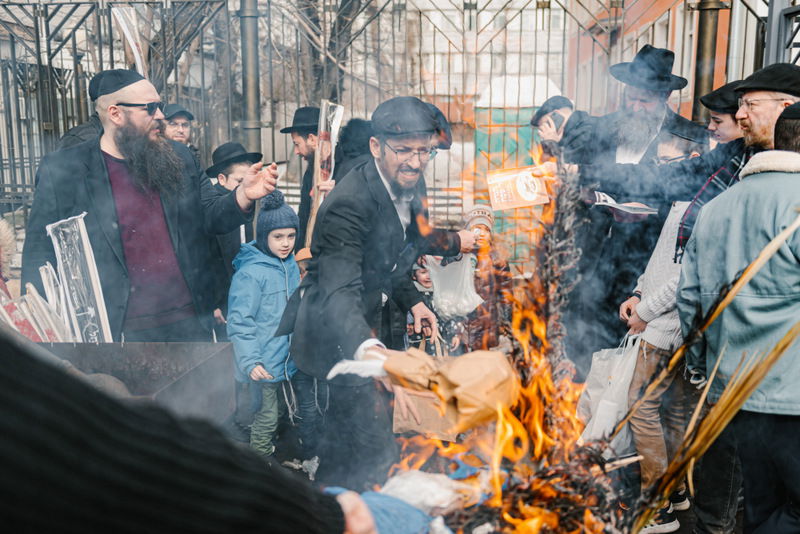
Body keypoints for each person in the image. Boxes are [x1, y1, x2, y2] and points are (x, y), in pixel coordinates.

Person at [277, 96, 475, 490]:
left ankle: (335, 504)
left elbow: (398, 251)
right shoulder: (349, 204)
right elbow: (339, 291)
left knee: (353, 445)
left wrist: (415, 301)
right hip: (341, 333)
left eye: (424, 152)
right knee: (369, 447)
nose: (415, 162)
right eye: (404, 151)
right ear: (376, 147)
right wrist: (370, 354)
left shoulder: (409, 185)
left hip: (373, 321)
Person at [21, 69, 278, 342]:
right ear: (116, 114)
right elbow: (40, 253)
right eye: (150, 108)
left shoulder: (178, 157)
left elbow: (210, 215)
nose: (160, 116)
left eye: (160, 106)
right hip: (116, 331)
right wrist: (44, 331)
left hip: (188, 323)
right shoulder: (66, 168)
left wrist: (243, 196)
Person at [677, 102, 800, 534]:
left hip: (730, 390)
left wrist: (700, 370)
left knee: (761, 507)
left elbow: (689, 300)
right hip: (791, 400)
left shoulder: (716, 208)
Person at [228, 191, 319, 465]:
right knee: (267, 415)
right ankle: (259, 463)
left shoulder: (289, 264)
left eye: (291, 236)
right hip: (263, 359)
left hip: (285, 357)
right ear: (264, 235)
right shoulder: (251, 273)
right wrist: (250, 360)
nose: (286, 243)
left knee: (278, 410)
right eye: (278, 237)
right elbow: (240, 320)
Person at [281, 106, 335, 251]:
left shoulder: (345, 167)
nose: (297, 151)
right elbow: (304, 217)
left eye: (297, 144)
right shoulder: (310, 172)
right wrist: (300, 257)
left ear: (311, 139)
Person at [460, 205, 512, 352]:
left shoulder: (497, 259)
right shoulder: (458, 256)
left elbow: (506, 294)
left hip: (487, 322)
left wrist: (506, 323)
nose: (482, 234)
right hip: (463, 323)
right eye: (477, 228)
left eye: (486, 230)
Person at [162, 103, 200, 167]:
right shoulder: (156, 155)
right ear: (162, 127)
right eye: (173, 124)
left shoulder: (195, 155)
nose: (181, 130)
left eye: (185, 125)